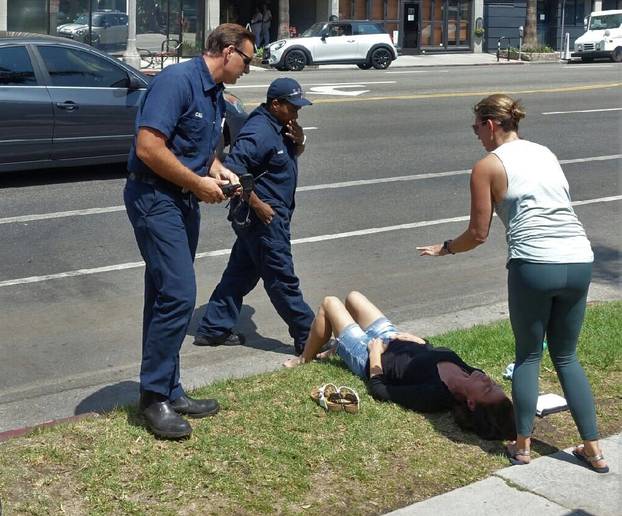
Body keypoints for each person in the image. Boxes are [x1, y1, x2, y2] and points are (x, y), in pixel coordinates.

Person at [417, 94, 609, 473]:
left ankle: (521, 447)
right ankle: (594, 449)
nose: (475, 134)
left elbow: (478, 233)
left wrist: (446, 249)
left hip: (535, 263)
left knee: (529, 356)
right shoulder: (545, 153)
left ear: (491, 124)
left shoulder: (487, 166)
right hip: (580, 258)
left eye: (476, 127)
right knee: (567, 356)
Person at [123, 23, 255, 440]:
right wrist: (197, 183)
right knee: (180, 294)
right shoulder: (176, 81)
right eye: (247, 61)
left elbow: (199, 151)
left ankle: (168, 388)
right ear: (229, 51)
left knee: (164, 294)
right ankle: (153, 398)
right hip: (154, 197)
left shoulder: (214, 94)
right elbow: (149, 147)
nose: (248, 70)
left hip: (181, 200)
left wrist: (218, 172)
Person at [284, 292, 516, 441]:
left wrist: (374, 355)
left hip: (368, 353)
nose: (488, 380)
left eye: (487, 389)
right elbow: (435, 354)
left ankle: (305, 357)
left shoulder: (434, 396)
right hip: (395, 338)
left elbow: (380, 390)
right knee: (353, 298)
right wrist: (421, 342)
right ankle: (337, 346)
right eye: (494, 384)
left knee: (329, 304)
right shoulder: (473, 374)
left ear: (471, 403)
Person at [193, 78, 315, 356]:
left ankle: (213, 328)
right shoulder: (258, 131)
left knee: (240, 274)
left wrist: (300, 141)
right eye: (293, 107)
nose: (297, 112)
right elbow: (233, 172)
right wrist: (258, 204)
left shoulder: (280, 126)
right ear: (276, 104)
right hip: (263, 219)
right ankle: (308, 336)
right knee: (282, 278)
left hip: (271, 216)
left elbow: (280, 160)